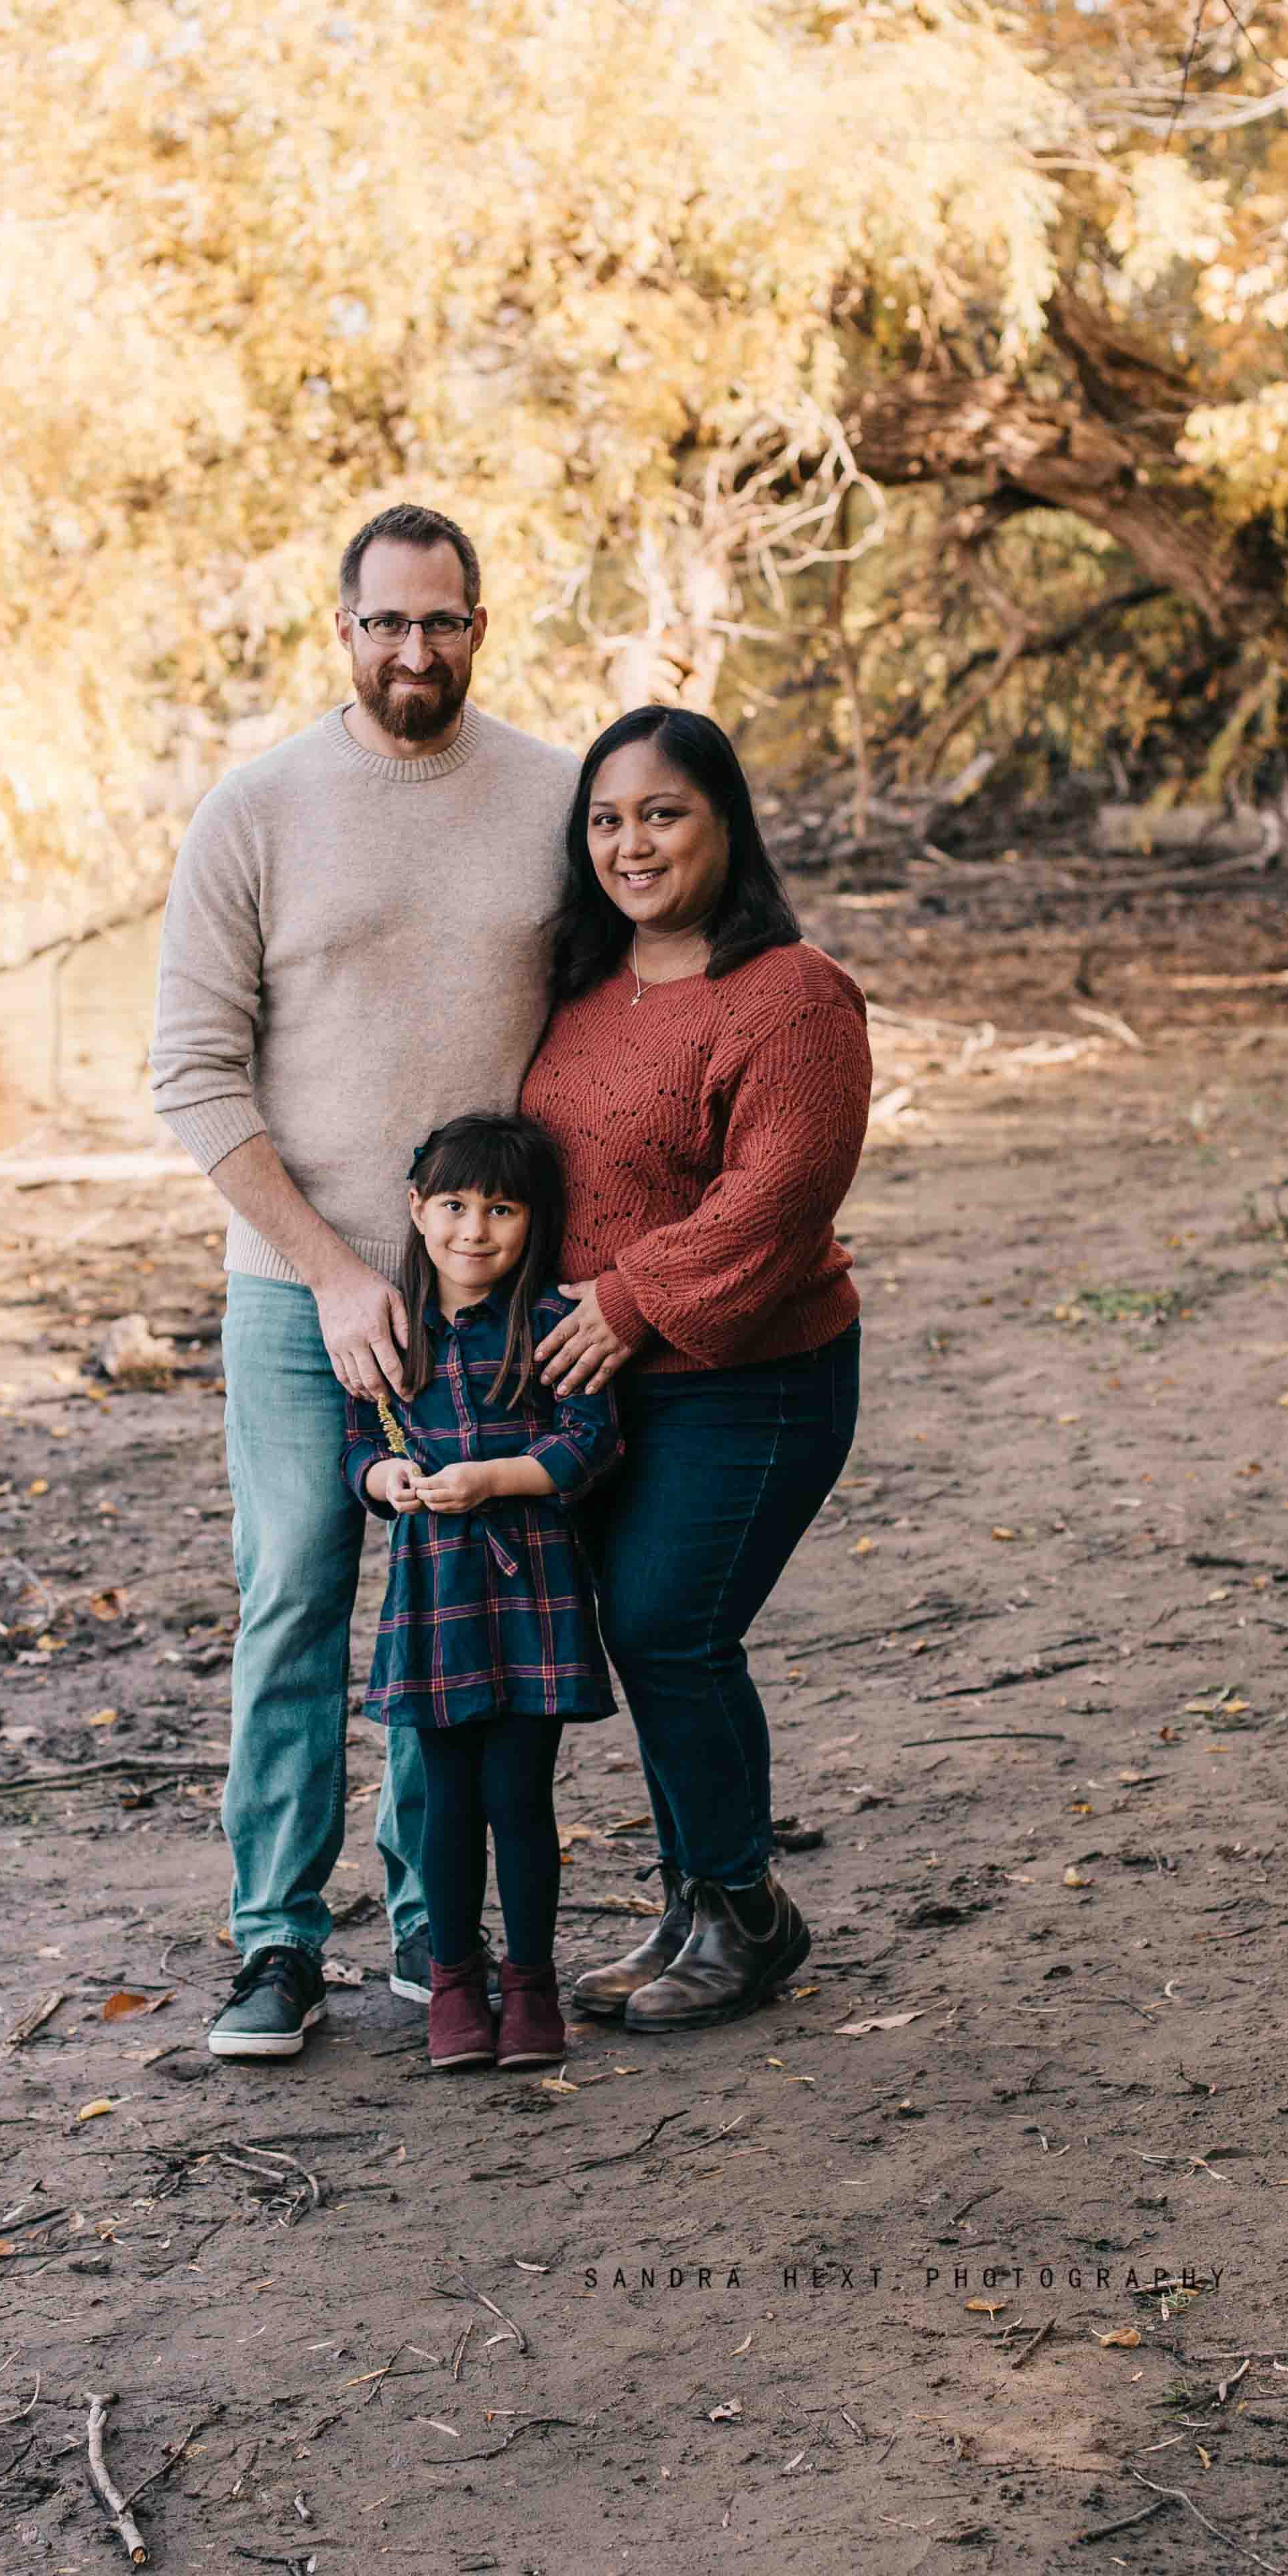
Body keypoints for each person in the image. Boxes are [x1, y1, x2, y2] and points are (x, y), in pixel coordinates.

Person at [150, 505, 576, 2063]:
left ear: (479, 626)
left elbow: (603, 1036)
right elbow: (191, 1075)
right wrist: (329, 1273)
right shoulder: (254, 811)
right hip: (292, 1287)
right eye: (387, 623)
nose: (416, 650)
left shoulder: (549, 797)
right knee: (296, 1600)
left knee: (458, 1608)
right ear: (342, 630)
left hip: (490, 1297)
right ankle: (273, 1943)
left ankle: (433, 1928)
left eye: (443, 622)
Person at [521, 707, 872, 2033]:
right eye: (605, 819)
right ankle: (691, 1908)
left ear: (724, 821)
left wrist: (623, 1298)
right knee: (650, 1634)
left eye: (661, 813)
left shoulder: (791, 993)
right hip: (610, 1378)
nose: (631, 843)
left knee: (673, 1626)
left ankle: (744, 1912)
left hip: (756, 1375)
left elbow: (778, 1194)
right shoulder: (585, 983)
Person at [341, 1114, 621, 2073]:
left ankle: (531, 1981)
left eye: (500, 1209)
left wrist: (496, 1477)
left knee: (520, 1796)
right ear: (418, 1211)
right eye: (454, 1205)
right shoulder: (390, 1332)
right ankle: (456, 1982)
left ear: (531, 1219)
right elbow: (359, 1447)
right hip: (433, 1600)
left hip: (531, 1588)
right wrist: (386, 1482)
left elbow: (590, 1440)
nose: (474, 1229)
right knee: (446, 1801)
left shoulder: (548, 1323)